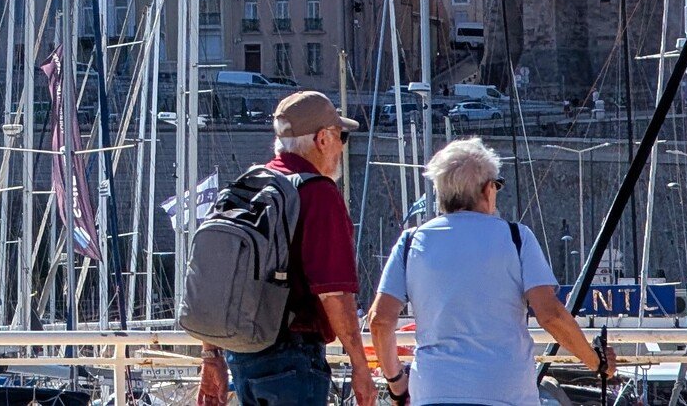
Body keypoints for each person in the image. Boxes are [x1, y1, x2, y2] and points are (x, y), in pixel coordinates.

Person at [369, 138, 615, 406]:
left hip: (433, 391)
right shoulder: (516, 238)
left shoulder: (410, 242)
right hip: (505, 392)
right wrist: (597, 362)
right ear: (487, 189)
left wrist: (396, 383)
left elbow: (380, 320)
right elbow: (551, 316)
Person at [199, 91, 374, 406]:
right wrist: (360, 365)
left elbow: (216, 280)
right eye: (342, 137)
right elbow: (334, 293)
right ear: (322, 139)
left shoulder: (248, 185)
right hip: (292, 357)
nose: (342, 148)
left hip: (242, 354)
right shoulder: (318, 193)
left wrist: (211, 355)